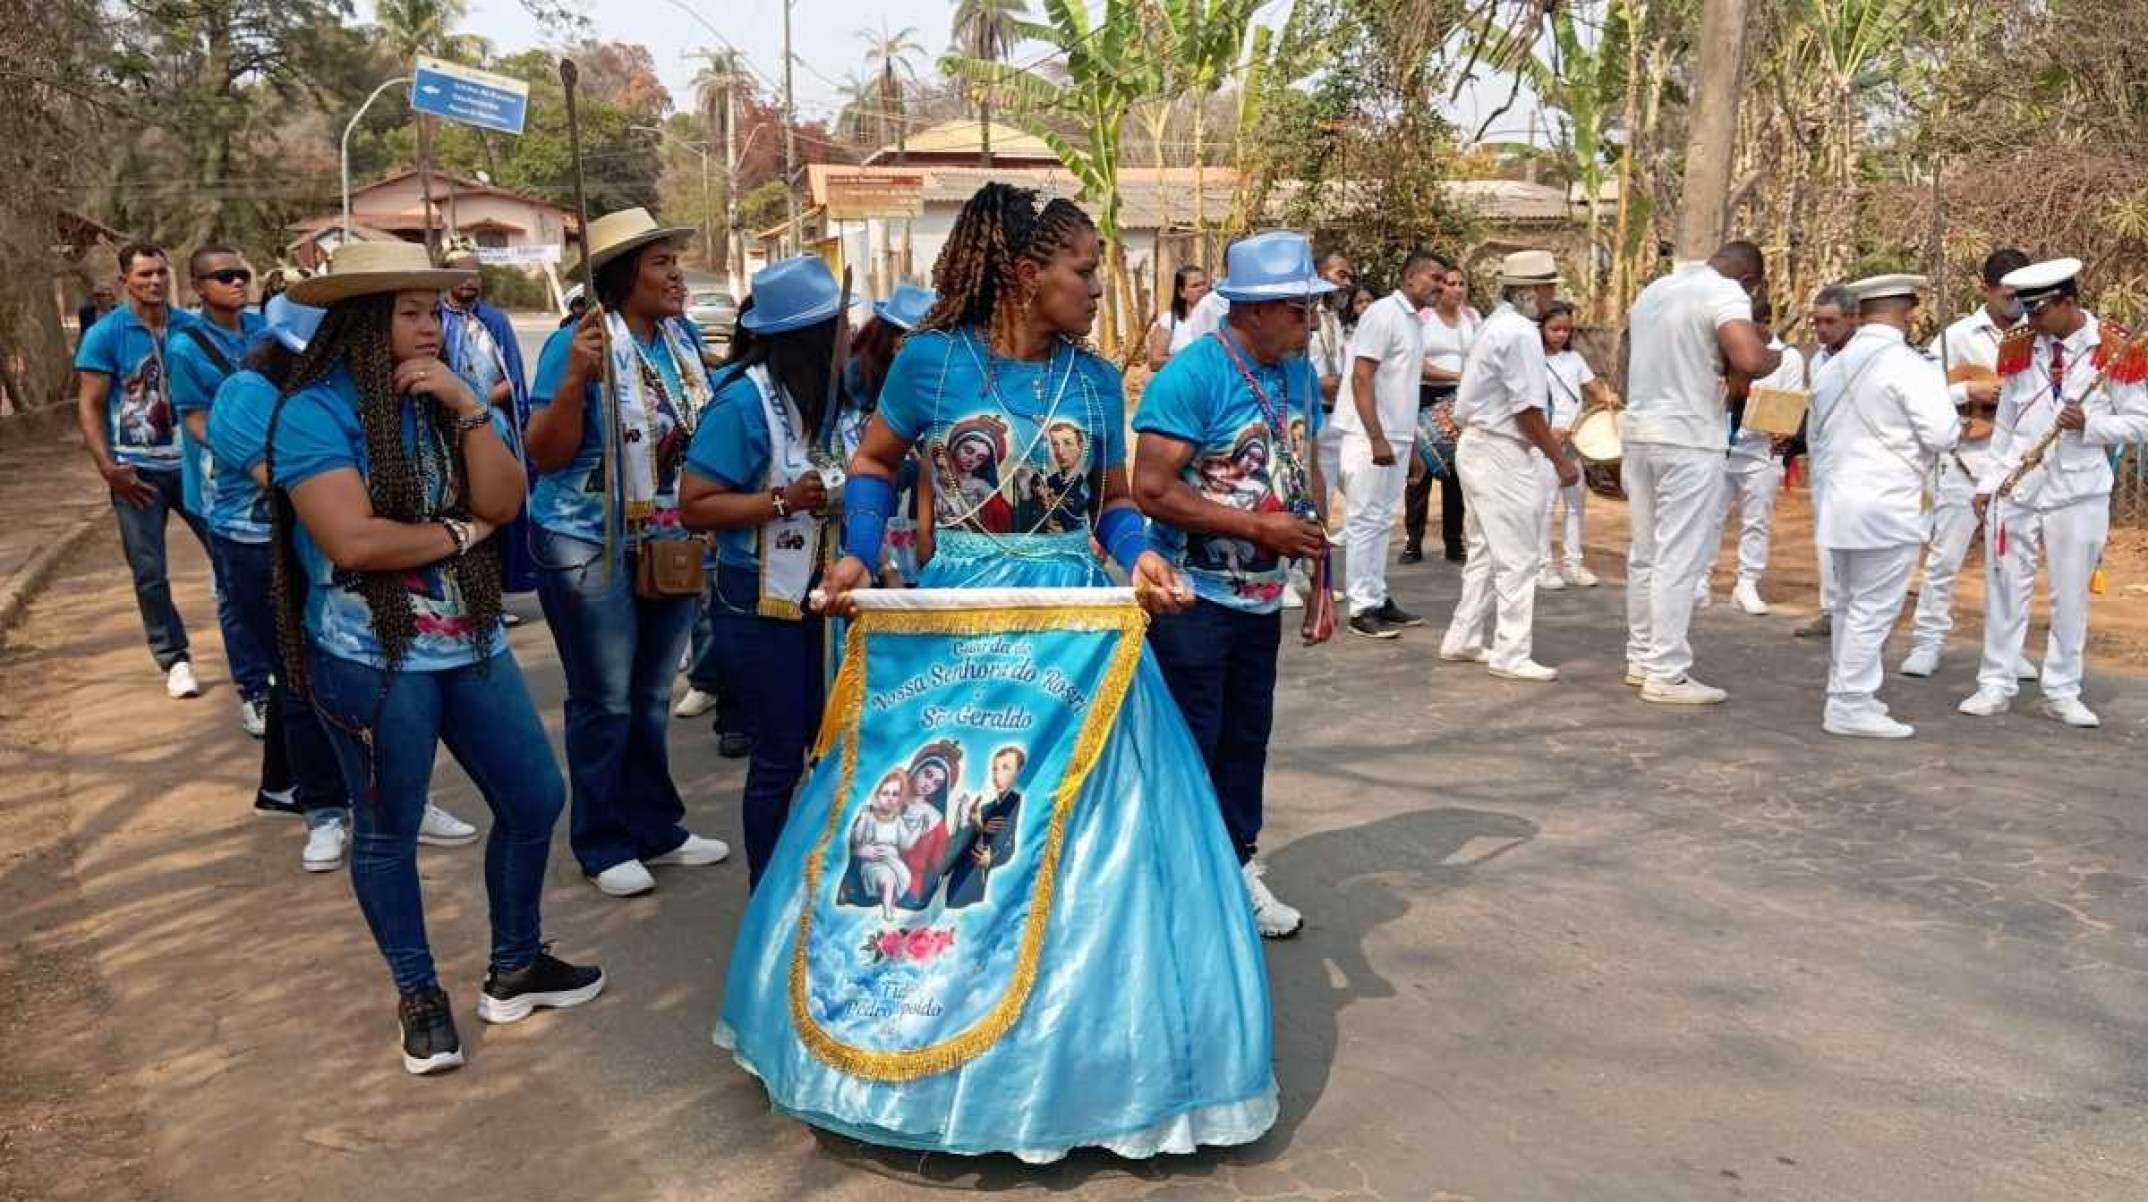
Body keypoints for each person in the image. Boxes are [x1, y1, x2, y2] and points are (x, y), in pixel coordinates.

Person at [717, 183, 1276, 1161]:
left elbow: (1111, 501)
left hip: (1076, 629)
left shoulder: (1099, 379)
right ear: (1026, 273)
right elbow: (875, 463)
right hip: (958, 624)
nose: (1099, 287)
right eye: (1084, 269)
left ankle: (1073, 1078)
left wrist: (1136, 553)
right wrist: (854, 554)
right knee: (940, 817)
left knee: (1088, 843)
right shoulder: (931, 363)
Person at [269, 241, 602, 1076]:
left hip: (471, 638)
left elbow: (504, 500)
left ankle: (516, 965)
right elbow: (352, 540)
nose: (431, 326)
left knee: (534, 797)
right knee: (387, 829)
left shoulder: (438, 396)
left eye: (436, 311)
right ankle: (419, 995)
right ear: (361, 321)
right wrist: (456, 535)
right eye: (411, 312)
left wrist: (467, 407)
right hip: (368, 656)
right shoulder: (315, 411)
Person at [525, 208, 732, 899]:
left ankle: (656, 827)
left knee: (649, 694)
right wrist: (577, 382)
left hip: (668, 540)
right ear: (621, 277)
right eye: (661, 264)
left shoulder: (678, 339)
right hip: (587, 540)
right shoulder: (575, 342)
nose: (677, 275)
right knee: (604, 699)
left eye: (674, 261)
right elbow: (544, 453)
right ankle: (602, 839)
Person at [1135, 229, 1335, 937]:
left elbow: (1302, 465)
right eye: (1297, 306)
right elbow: (1150, 488)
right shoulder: (1193, 376)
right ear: (1252, 309)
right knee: (1191, 742)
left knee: (1247, 736)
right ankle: (1178, 889)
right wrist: (1259, 531)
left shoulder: (1296, 373)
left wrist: (1321, 575)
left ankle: (1236, 866)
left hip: (1259, 600)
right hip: (1192, 597)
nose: (1310, 318)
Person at [677, 255, 845, 885]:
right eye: (837, 328)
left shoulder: (830, 398)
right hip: (759, 600)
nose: (846, 339)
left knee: (825, 745)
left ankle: (816, 882)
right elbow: (695, 504)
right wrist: (781, 502)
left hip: (825, 596)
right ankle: (767, 893)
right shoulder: (744, 405)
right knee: (777, 757)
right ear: (810, 339)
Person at [1959, 257, 2148, 728]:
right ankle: (1995, 682)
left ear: (2067, 302)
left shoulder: (2115, 348)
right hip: (2018, 486)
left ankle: (2063, 688)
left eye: (2040, 312)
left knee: (2070, 595)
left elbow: (2142, 422)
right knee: (2005, 588)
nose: (2032, 323)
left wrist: (2091, 424)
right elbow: (2007, 424)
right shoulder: (2021, 345)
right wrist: (1988, 483)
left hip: (2077, 491)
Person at [203, 296, 358, 868]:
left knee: (328, 673)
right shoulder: (247, 393)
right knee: (302, 673)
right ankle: (324, 808)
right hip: (256, 549)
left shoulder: (325, 390)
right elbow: (293, 478)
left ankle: (297, 787)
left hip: (312, 545)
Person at [1621, 240, 1782, 703]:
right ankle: (1666, 673)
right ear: (1749, 280)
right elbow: (1749, 360)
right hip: (1689, 437)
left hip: (1642, 429)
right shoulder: (1725, 293)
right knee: (1678, 556)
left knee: (1646, 554)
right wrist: (1776, 355)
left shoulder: (1655, 290)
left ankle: (1642, 657)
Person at [1807, 274, 1960, 738]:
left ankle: (1849, 692)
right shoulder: (1908, 366)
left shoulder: (1832, 365)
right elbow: (1942, 434)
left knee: (1852, 605)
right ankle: (1850, 704)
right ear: (1907, 309)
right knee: (1872, 608)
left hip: (1840, 502)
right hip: (1887, 504)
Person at [74, 242, 214, 700]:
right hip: (137, 474)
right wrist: (108, 468)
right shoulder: (107, 334)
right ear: (125, 282)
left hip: (195, 465)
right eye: (144, 275)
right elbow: (90, 404)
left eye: (160, 272)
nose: (154, 281)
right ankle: (174, 659)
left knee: (233, 557)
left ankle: (256, 655)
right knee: (149, 571)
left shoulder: (192, 328)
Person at [1437, 251, 1573, 681]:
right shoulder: (1519, 333)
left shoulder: (1494, 324)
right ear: (1532, 292)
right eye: (1548, 288)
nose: (1551, 296)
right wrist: (1558, 458)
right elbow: (1528, 409)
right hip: (1500, 449)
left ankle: (1465, 636)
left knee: (1484, 549)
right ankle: (1511, 651)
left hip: (1479, 444)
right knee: (1517, 555)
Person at [1901, 248, 2036, 679]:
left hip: (2017, 464)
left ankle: (2008, 649)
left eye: (2021, 295)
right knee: (1945, 558)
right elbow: (1920, 394)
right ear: (1987, 289)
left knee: (2012, 564)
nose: (2014, 303)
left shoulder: (2038, 333)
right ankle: (1927, 641)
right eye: (2007, 295)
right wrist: (1968, 393)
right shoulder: (1955, 337)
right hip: (1965, 458)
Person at [168, 245, 273, 735]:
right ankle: (254, 690)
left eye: (241, 273)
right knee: (234, 593)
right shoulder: (186, 345)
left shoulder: (264, 331)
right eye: (224, 275)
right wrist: (249, 452)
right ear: (198, 287)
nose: (237, 282)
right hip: (224, 490)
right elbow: (195, 419)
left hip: (273, 478)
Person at [1334, 249, 1442, 638]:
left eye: (1444, 280)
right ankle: (1362, 608)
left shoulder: (1413, 321)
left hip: (1395, 435)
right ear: (1411, 277)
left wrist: (1409, 446)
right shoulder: (1382, 314)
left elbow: (1405, 386)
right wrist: (1377, 437)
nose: (1441, 286)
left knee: (1381, 521)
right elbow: (1362, 377)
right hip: (1369, 436)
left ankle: (1377, 596)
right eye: (1435, 278)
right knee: (1364, 519)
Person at [439, 243, 537, 605]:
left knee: (493, 509)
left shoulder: (493, 320)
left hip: (491, 426)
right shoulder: (435, 318)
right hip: (445, 427)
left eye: (475, 272)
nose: (470, 280)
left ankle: (492, 598)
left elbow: (511, 379)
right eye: (462, 272)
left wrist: (474, 404)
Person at [1702, 294, 1804, 616]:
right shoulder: (1724, 351)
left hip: (1762, 451)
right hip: (1720, 447)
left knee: (1756, 520)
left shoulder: (1788, 358)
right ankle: (1700, 578)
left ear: (1764, 323)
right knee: (1709, 516)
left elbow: (1790, 404)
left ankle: (1747, 583)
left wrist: (1782, 431)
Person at [1791, 285, 1859, 638]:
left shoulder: (1869, 358)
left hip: (1863, 466)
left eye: (1830, 321)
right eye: (1816, 322)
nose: (1821, 329)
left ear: (1853, 318)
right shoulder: (1818, 360)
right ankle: (1832, 611)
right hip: (1824, 464)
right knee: (1826, 538)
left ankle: (1858, 614)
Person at [1404, 259, 1480, 565]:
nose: (1456, 290)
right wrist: (1458, 377)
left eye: (1461, 284)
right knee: (1419, 473)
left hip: (1461, 400)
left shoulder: (1472, 318)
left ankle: (1453, 541)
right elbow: (1417, 363)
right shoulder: (1424, 319)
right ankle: (1413, 541)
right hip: (1428, 394)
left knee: (1457, 473)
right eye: (1450, 283)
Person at [1537, 300, 1615, 590]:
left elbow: (1594, 389)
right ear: (1541, 328)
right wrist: (1547, 431)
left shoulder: (1574, 360)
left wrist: (1609, 399)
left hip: (1574, 440)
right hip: (1544, 443)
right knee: (1545, 506)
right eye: (1554, 329)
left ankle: (1572, 563)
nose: (1560, 335)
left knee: (1574, 504)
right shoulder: (1532, 360)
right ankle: (1541, 565)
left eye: (1566, 330)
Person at [1145, 264, 1212, 371]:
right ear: (1182, 293)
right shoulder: (1169, 321)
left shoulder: (1218, 319)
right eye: (1195, 286)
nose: (1202, 289)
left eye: (1204, 284)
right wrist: (1190, 359)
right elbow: (1154, 362)